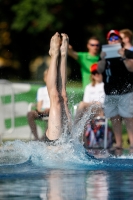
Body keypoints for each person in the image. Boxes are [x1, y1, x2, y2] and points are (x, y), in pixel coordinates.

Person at [98, 29, 133, 152]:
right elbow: (100, 70)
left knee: (129, 118)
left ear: (120, 40)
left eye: (115, 38)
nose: (113, 40)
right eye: (111, 39)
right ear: (108, 41)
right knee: (114, 118)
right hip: (110, 91)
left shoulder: (128, 52)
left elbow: (131, 68)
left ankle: (132, 145)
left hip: (126, 91)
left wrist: (123, 56)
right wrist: (102, 59)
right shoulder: (104, 54)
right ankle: (118, 145)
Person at [44, 32, 71, 144]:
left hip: (64, 150)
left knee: (62, 98)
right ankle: (57, 54)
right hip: (57, 148)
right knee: (59, 97)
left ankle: (62, 54)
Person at [27, 69, 50, 141]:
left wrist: (50, 109)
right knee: (30, 114)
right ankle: (36, 138)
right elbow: (39, 106)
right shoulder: (41, 90)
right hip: (42, 112)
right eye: (47, 77)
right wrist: (41, 110)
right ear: (44, 78)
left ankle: (43, 138)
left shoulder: (56, 90)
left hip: (53, 112)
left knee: (52, 117)